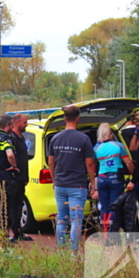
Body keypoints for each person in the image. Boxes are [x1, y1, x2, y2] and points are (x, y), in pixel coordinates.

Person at [47, 105, 97, 252]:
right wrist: (93, 182)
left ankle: (61, 249)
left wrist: (54, 180)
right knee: (76, 219)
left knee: (62, 218)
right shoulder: (84, 138)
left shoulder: (55, 138)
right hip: (77, 185)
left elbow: (51, 161)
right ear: (77, 119)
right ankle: (73, 251)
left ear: (64, 118)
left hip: (60, 183)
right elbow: (89, 162)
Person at [94, 123, 135, 232]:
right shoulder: (119, 145)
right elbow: (128, 163)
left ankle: (105, 230)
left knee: (104, 207)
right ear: (111, 134)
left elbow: (93, 164)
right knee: (114, 206)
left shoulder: (96, 148)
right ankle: (113, 232)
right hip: (116, 178)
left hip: (101, 179)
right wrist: (134, 175)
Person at [8, 113, 33, 242]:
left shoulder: (21, 137)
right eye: (24, 122)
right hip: (13, 179)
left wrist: (25, 176)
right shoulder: (11, 138)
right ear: (17, 123)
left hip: (21, 178)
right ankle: (11, 234)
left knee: (18, 206)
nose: (26, 124)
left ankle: (18, 232)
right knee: (11, 206)